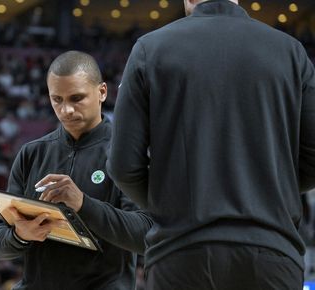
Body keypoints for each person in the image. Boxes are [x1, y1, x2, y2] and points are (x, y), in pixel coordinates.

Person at [107, 0, 315, 289]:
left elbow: (123, 167)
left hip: (180, 252)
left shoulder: (149, 49)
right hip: (272, 252)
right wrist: (270, 195)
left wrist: (169, 204)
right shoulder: (291, 52)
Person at [0, 50, 152, 290]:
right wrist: (19, 235)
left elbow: (146, 236)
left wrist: (84, 205)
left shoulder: (128, 153)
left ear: (102, 92)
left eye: (77, 98)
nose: (66, 110)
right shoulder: (32, 153)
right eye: (57, 100)